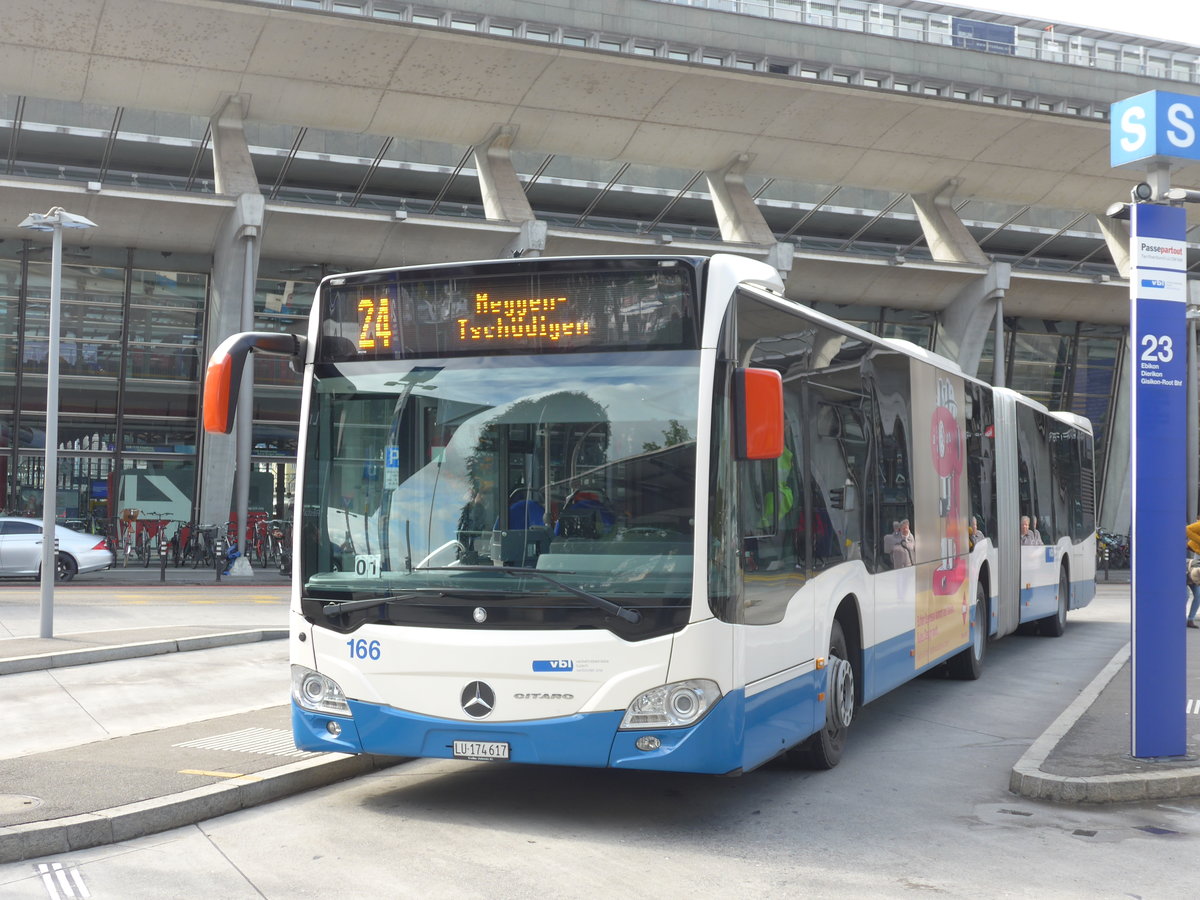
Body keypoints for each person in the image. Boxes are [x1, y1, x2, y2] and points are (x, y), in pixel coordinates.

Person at [1188, 557, 1200, 629]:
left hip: (1196, 575)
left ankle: (1190, 620)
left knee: (1198, 595)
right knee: (1185, 595)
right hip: (1186, 572)